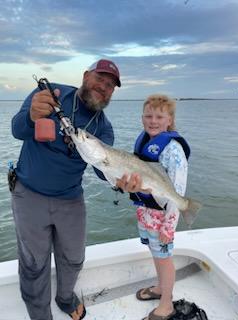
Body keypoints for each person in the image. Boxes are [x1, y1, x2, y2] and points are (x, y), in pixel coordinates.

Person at [11, 59, 134, 320]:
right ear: (85, 75)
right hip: (29, 194)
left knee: (75, 258)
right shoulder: (50, 94)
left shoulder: (103, 127)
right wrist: (32, 116)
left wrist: (121, 181)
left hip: (70, 199)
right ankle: (40, 313)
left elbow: (103, 170)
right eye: (100, 79)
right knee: (34, 263)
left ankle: (65, 299)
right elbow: (17, 129)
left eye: (110, 85)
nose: (104, 87)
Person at [117, 94, 190, 320]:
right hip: (146, 213)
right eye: (148, 115)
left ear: (170, 120)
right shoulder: (145, 142)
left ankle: (166, 304)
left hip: (163, 218)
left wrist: (169, 227)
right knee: (156, 255)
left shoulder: (174, 149)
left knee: (164, 259)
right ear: (142, 119)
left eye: (159, 116)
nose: (153, 120)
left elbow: (178, 192)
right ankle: (160, 289)